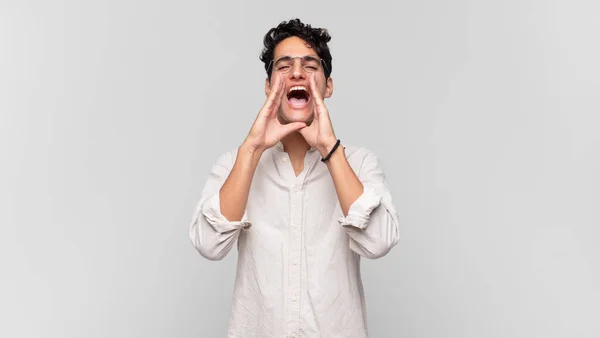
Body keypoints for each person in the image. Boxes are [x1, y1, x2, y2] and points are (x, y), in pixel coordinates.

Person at [189, 18, 400, 338]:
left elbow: (379, 242)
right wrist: (252, 149)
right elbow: (208, 244)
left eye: (310, 65)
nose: (297, 73)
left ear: (328, 86)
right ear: (268, 85)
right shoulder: (235, 162)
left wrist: (329, 148)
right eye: (284, 66)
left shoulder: (359, 162)